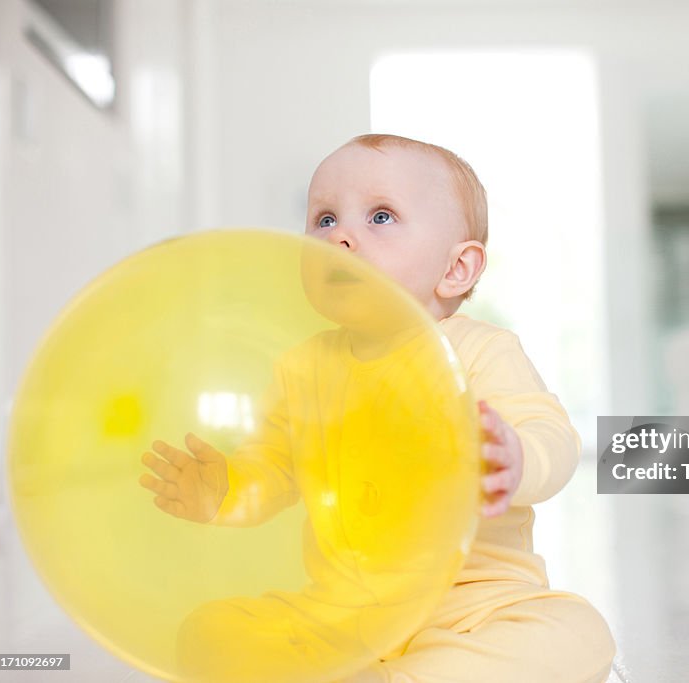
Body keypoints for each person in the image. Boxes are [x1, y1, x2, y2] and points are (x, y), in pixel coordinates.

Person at [139, 133, 615, 682]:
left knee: (576, 634)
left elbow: (551, 433)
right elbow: (273, 470)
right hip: (344, 612)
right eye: (322, 219)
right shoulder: (303, 369)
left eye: (381, 217)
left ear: (456, 268)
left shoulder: (480, 351)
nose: (339, 237)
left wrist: (516, 456)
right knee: (210, 630)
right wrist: (226, 491)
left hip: (471, 607)